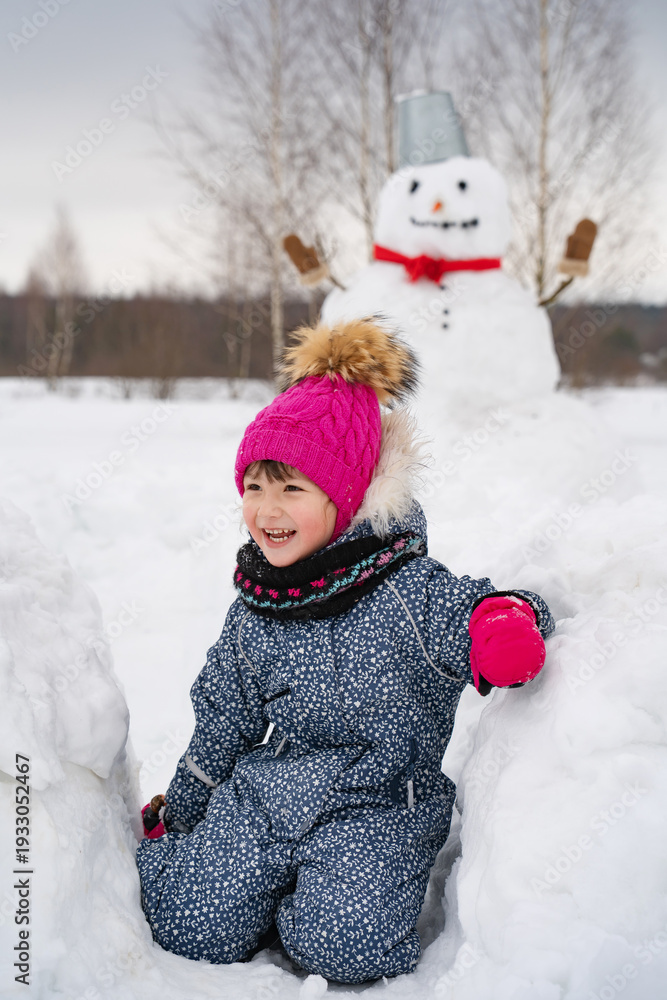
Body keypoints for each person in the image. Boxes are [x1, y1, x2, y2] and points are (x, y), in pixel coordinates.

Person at [135, 318, 554, 984]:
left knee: (345, 947)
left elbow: (485, 608)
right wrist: (183, 810)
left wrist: (503, 624)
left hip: (380, 806)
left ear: (347, 495)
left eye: (291, 489)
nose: (266, 510)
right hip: (268, 795)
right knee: (187, 923)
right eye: (254, 487)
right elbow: (223, 718)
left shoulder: (409, 590)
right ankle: (246, 892)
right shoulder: (257, 606)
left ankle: (305, 905)